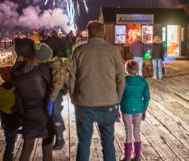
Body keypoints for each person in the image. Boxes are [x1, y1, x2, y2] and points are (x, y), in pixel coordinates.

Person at [69, 21, 125, 161]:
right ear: (103, 32)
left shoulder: (79, 51)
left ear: (88, 32)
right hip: (108, 103)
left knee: (84, 142)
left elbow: (71, 78)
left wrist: (74, 98)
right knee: (108, 143)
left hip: (84, 102)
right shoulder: (113, 51)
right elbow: (121, 79)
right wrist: (117, 99)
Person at [12, 38, 54, 161]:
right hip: (46, 114)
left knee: (27, 148)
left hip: (28, 113)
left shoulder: (14, 72)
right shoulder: (41, 69)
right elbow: (55, 85)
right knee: (47, 149)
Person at [35, 42, 73, 150]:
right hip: (56, 87)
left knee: (55, 112)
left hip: (59, 89)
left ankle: (60, 138)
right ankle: (60, 127)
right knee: (54, 112)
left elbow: (58, 83)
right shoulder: (49, 63)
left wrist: (51, 99)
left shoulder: (55, 65)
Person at [119, 60, 150, 161]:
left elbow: (118, 95)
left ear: (126, 69)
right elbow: (147, 96)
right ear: (137, 69)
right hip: (139, 109)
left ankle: (127, 156)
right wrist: (144, 107)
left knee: (128, 131)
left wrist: (116, 107)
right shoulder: (143, 81)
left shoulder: (123, 81)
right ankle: (137, 156)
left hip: (126, 108)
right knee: (136, 131)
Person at [0, 65, 22, 161]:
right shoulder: (15, 89)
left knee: (8, 138)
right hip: (13, 118)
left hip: (4, 117)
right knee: (11, 142)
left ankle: (8, 155)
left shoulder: (0, 89)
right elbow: (18, 104)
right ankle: (8, 157)